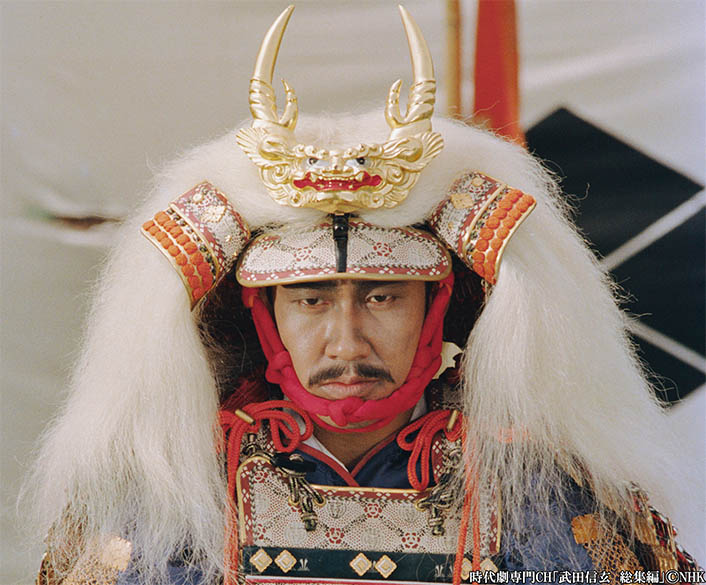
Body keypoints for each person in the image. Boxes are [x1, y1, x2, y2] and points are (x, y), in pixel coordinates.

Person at [26, 6, 700, 585]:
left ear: (439, 308)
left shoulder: (543, 497)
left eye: (382, 298)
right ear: (260, 315)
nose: (346, 343)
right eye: (310, 299)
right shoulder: (168, 500)